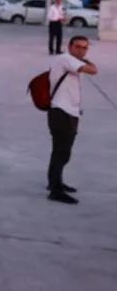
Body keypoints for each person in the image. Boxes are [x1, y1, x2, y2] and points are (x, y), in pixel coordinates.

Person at [46, 36, 98, 204]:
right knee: (62, 152)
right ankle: (55, 190)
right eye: (78, 47)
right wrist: (84, 59)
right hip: (62, 112)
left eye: (85, 48)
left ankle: (56, 183)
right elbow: (93, 70)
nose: (81, 51)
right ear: (69, 47)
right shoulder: (66, 59)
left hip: (67, 111)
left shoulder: (69, 60)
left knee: (59, 151)